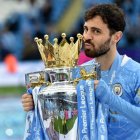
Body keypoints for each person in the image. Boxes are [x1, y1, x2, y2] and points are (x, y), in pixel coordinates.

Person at [22, 3, 140, 139]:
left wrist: (110, 99)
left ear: (116, 37)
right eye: (86, 29)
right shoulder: (78, 74)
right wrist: (37, 103)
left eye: (96, 31)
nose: (87, 36)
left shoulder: (135, 72)